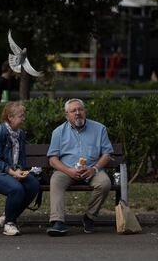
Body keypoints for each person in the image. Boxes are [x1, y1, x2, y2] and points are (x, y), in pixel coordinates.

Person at [46, 98, 113, 236]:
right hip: (66, 169)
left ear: (85, 111)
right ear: (67, 115)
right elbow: (52, 159)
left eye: (80, 109)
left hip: (92, 169)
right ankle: (57, 222)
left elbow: (107, 154)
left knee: (104, 183)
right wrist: (68, 171)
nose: (77, 113)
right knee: (56, 181)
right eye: (73, 111)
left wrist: (94, 169)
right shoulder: (58, 132)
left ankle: (89, 217)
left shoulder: (99, 129)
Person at [0, 102, 40, 236]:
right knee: (16, 189)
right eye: (21, 116)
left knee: (33, 185)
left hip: (11, 172)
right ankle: (9, 224)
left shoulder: (20, 134)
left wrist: (20, 171)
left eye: (24, 115)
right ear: (10, 117)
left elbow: (21, 158)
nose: (23, 118)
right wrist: (12, 172)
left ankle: (7, 216)